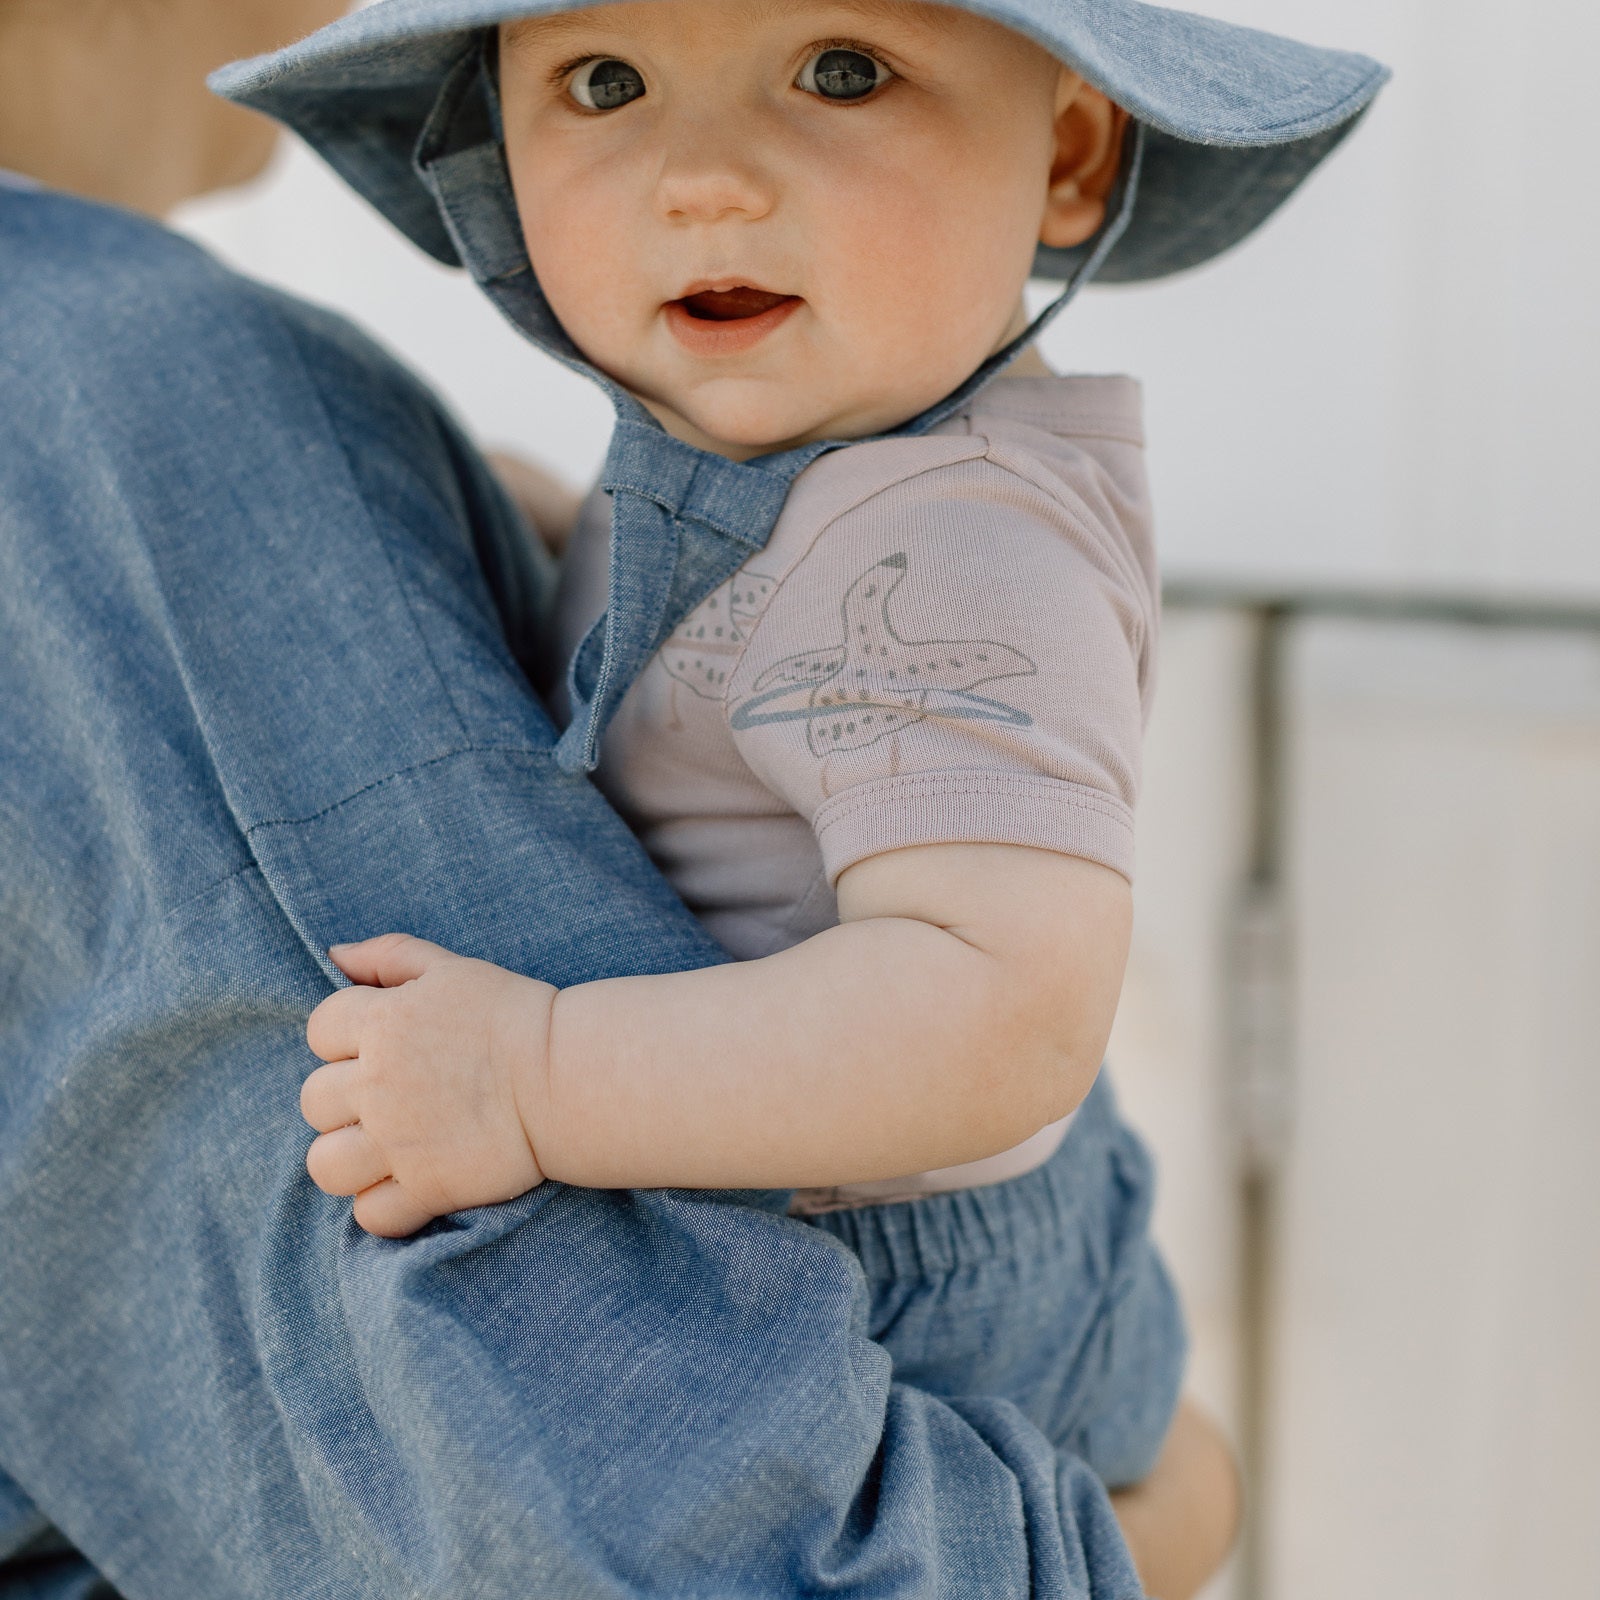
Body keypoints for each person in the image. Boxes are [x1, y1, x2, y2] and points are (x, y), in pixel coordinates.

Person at [0, 0, 1247, 1596]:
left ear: (1067, 151)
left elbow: (1004, 1012)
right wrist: (1174, 1518)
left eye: (843, 70)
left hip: (932, 1281)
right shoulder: (148, 408)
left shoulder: (960, 537)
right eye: (604, 84)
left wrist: (538, 1074)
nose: (704, 181)